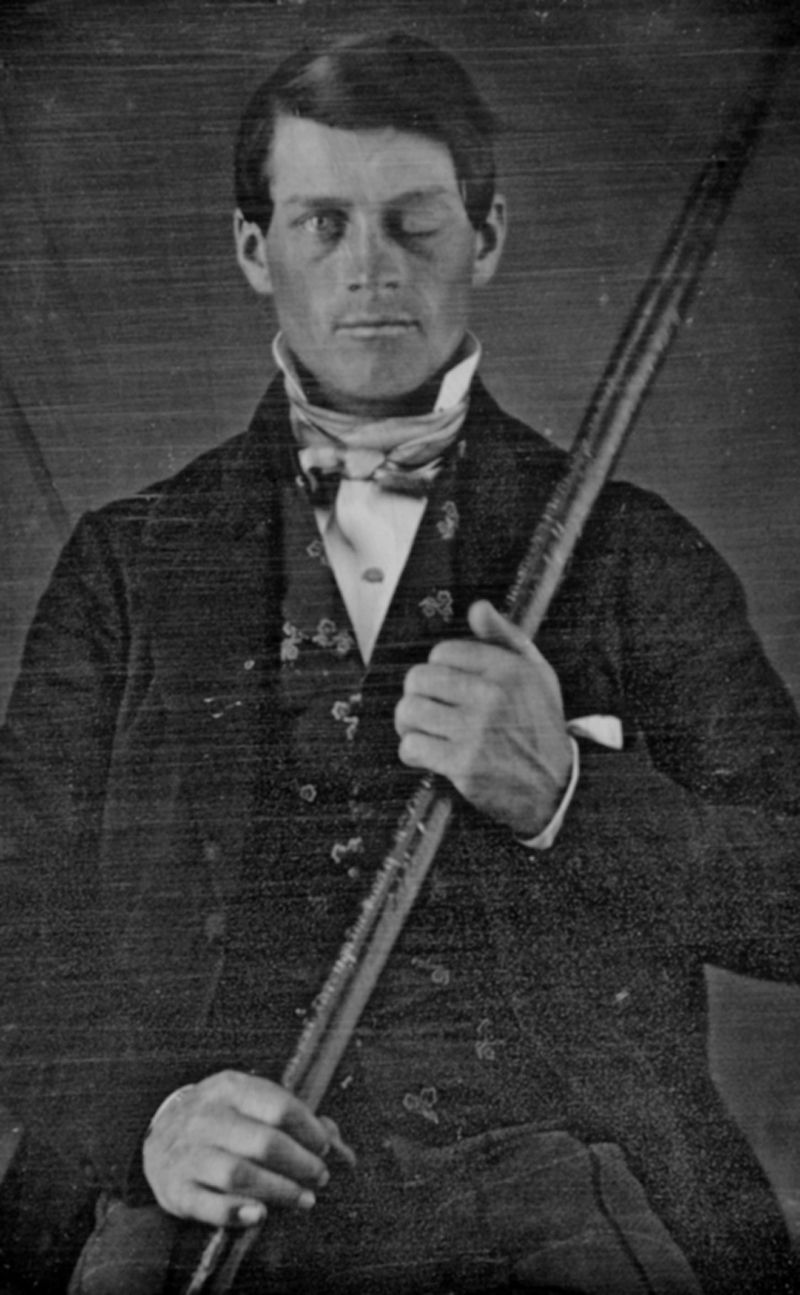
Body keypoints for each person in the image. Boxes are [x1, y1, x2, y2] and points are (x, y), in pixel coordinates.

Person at [1, 30, 799, 1295]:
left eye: (413, 223)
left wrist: (568, 798)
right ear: (253, 248)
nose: (369, 269)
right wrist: (149, 1118)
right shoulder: (123, 566)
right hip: (202, 1202)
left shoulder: (634, 551)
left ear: (485, 236)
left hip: (563, 1188)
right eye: (321, 223)